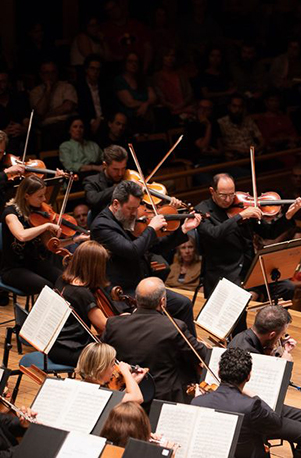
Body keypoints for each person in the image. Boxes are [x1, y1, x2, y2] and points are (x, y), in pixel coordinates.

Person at [91, 180, 199, 332]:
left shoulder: (126, 220)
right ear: (116, 204)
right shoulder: (102, 226)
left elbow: (156, 248)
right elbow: (132, 251)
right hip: (122, 292)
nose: (135, 213)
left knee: (183, 304)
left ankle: (189, 348)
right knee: (160, 318)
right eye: (131, 209)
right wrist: (151, 229)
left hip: (139, 286)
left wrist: (183, 230)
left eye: (137, 208)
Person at [192, 347, 301, 458]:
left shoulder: (197, 402)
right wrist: (254, 395)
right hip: (250, 450)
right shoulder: (250, 405)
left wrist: (198, 400)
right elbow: (275, 421)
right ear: (248, 376)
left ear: (219, 372)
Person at [194, 173, 301, 299]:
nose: (228, 199)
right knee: (240, 297)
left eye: (231, 194)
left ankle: (272, 318)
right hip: (224, 273)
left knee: (286, 287)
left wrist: (288, 216)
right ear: (212, 191)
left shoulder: (243, 206)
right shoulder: (202, 210)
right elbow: (214, 234)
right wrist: (240, 216)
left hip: (250, 271)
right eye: (223, 195)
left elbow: (269, 232)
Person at [102, 277, 208, 403]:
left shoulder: (113, 324)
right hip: (162, 396)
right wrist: (203, 345)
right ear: (162, 301)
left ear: (137, 299)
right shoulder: (174, 327)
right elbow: (201, 355)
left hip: (125, 392)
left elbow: (102, 356)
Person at [49, 241, 111, 366]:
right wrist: (124, 319)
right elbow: (105, 325)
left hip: (52, 343)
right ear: (96, 267)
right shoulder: (82, 294)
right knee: (112, 355)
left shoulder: (61, 280)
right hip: (70, 348)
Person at [1, 176, 63, 294]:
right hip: (13, 269)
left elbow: (50, 245)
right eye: (40, 196)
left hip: (34, 263)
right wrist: (46, 226)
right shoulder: (10, 213)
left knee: (62, 279)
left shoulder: (37, 213)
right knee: (47, 287)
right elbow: (22, 235)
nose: (44, 199)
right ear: (26, 196)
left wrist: (76, 239)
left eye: (44, 195)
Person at [76, 342, 146, 404]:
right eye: (113, 364)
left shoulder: (80, 386)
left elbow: (117, 400)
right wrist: (126, 372)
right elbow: (137, 398)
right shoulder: (101, 394)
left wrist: (133, 381)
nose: (115, 368)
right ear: (101, 368)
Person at [83, 145, 129, 218]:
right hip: (105, 224)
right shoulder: (92, 181)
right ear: (105, 165)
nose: (120, 173)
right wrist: (118, 187)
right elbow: (93, 200)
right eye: (115, 169)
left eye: (123, 168)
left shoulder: (128, 177)